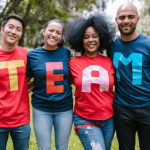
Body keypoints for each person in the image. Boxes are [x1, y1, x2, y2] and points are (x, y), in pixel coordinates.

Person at [66, 12, 115, 150]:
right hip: (84, 118)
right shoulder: (73, 63)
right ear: (80, 40)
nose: (91, 40)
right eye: (86, 37)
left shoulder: (110, 62)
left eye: (94, 36)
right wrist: (36, 82)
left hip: (109, 119)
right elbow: (60, 79)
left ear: (101, 38)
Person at [108, 3, 150, 150]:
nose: (126, 20)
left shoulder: (148, 44)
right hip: (122, 108)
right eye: (122, 17)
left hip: (147, 107)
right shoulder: (111, 46)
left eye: (131, 17)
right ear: (116, 20)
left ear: (137, 19)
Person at [26, 19, 73, 150]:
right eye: (51, 30)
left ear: (61, 36)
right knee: (43, 148)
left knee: (62, 148)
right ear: (44, 32)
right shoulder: (32, 55)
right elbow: (25, 80)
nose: (54, 34)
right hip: (41, 108)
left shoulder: (67, 53)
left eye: (58, 32)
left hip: (64, 108)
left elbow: (72, 77)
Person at [0, 15, 30, 150]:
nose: (13, 31)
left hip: (21, 120)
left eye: (18, 29)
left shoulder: (26, 54)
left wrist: (34, 84)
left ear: (21, 34)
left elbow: (45, 66)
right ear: (2, 29)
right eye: (10, 27)